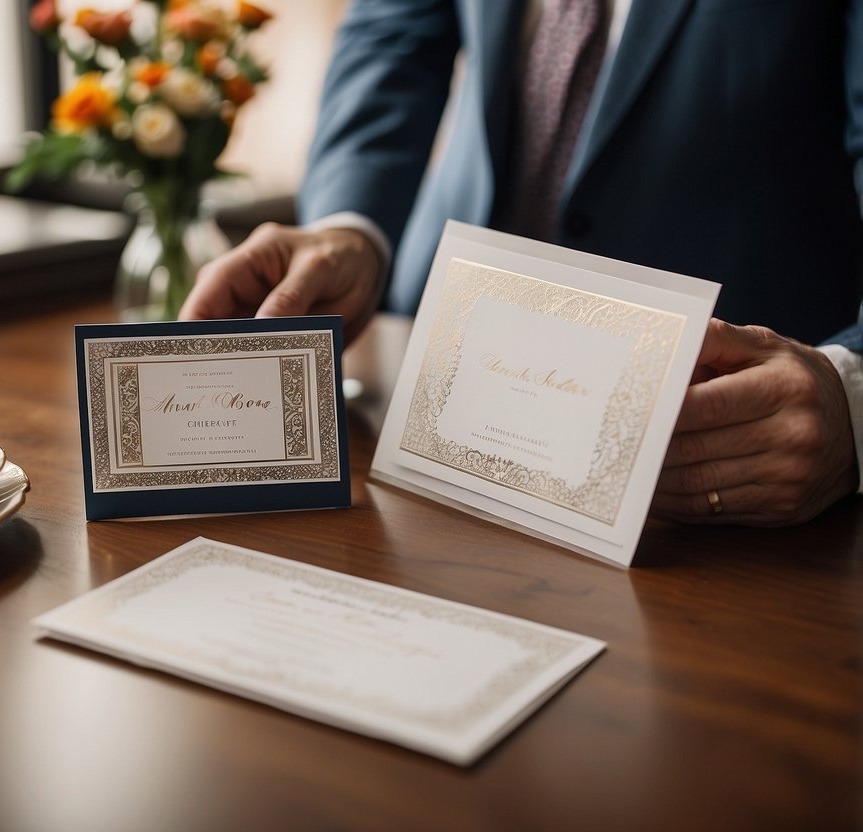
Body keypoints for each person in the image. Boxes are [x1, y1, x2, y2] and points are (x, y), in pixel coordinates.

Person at [181, 0, 863, 527]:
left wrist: (853, 390)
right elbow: (391, 36)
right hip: (431, 383)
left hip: (725, 436)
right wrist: (349, 227)